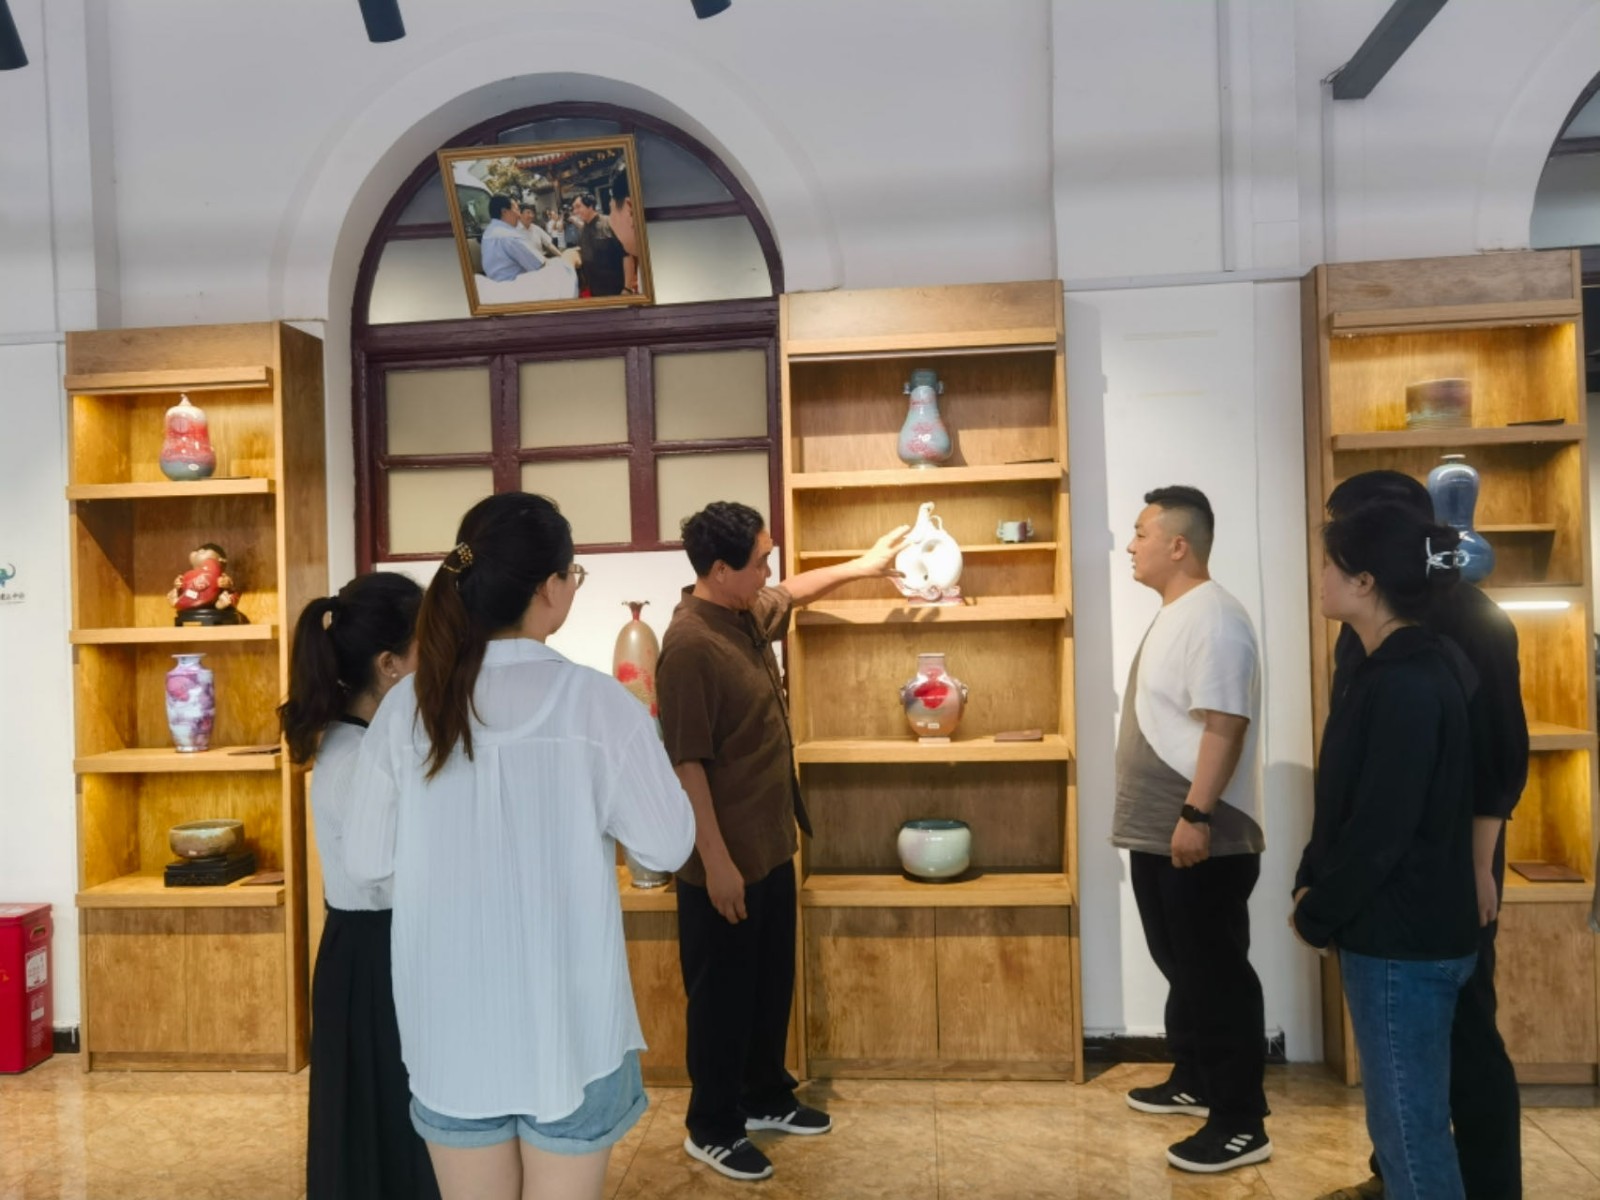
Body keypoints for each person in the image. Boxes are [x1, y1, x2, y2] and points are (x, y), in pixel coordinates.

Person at [343, 493, 696, 1200]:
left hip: (450, 1030)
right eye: (573, 575)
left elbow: (366, 864)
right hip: (573, 1030)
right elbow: (667, 844)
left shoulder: (406, 708)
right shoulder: (599, 704)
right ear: (549, 588)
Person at [657, 502, 908, 1183]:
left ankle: (764, 1095)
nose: (769, 571)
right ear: (720, 570)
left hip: (769, 845)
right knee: (722, 1001)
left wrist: (865, 565)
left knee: (769, 987)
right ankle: (712, 1127)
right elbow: (686, 764)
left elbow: (793, 592)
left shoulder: (740, 612)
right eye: (760, 561)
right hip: (725, 861)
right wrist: (716, 864)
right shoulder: (689, 646)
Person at [1315, 471, 1527, 1200]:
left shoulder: (1473, 619)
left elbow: (1501, 759)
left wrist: (1478, 865)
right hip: (1394, 860)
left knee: (1465, 1031)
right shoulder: (1368, 628)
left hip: (1454, 854)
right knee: (1406, 1048)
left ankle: (1487, 1186)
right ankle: (1402, 1173)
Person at [1294, 503, 1480, 1200]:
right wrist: (1313, 882)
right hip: (1403, 935)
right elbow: (1349, 805)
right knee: (1406, 1126)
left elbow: (1382, 828)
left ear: (1365, 581)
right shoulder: (1391, 667)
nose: (1320, 578)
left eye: (1329, 565)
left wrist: (1317, 912)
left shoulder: (1407, 680)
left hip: (1404, 943)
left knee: (1409, 1132)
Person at [1114, 485, 1271, 1174]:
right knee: (1183, 965)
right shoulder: (1180, 611)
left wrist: (1196, 815)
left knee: (1216, 973)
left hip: (1198, 831)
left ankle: (1240, 1122)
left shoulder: (1215, 616)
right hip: (1163, 829)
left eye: (1141, 533)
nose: (1131, 545)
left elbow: (1225, 722)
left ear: (1179, 545)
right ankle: (1197, 1078)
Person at [277, 571, 439, 1200]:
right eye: (428, 645)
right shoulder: (356, 757)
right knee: (386, 1124)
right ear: (389, 665)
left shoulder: (370, 743)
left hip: (377, 950)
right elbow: (385, 875)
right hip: (374, 956)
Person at [479, 194, 545, 282]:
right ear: (504, 212)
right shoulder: (509, 236)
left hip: (496, 286)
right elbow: (539, 265)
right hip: (518, 286)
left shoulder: (488, 233)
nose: (519, 215)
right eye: (517, 209)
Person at [573, 191, 626, 297]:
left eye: (578, 207)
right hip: (595, 288)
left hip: (616, 287)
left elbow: (626, 255)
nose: (575, 211)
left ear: (590, 206)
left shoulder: (609, 223)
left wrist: (627, 287)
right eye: (574, 208)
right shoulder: (582, 230)